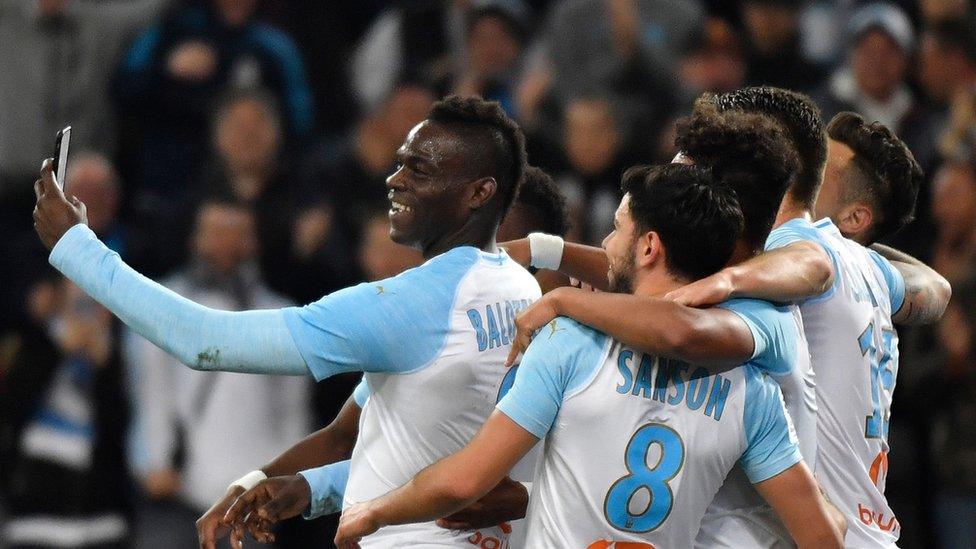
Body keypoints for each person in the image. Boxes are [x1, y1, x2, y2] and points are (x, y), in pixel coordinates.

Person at [32, 96, 540, 548]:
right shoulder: (520, 288)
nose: (395, 179)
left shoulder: (411, 305)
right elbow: (368, 439)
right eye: (401, 162)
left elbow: (205, 342)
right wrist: (294, 485)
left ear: (479, 193)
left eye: (420, 170)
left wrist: (78, 249)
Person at [333, 163, 846, 548]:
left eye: (617, 228)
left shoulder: (571, 344)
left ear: (648, 247)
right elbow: (826, 538)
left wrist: (373, 512)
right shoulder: (751, 389)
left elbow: (466, 479)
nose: (605, 240)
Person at [508, 88, 820, 549]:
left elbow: (677, 329)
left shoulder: (759, 313)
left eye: (679, 183)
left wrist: (562, 302)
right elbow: (637, 274)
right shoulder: (717, 286)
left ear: (712, 204)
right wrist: (542, 249)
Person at [196, 165, 572, 547]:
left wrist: (526, 496)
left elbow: (604, 472)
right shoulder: (444, 335)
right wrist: (270, 484)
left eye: (498, 255)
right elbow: (346, 438)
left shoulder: (583, 354)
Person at [126, 199, 311, 548]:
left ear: (253, 241)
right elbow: (150, 392)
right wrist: (151, 461)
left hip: (251, 496)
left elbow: (291, 409)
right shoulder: (162, 303)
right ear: (196, 238)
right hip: (176, 487)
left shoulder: (280, 313)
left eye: (236, 233)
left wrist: (284, 480)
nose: (226, 243)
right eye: (216, 232)